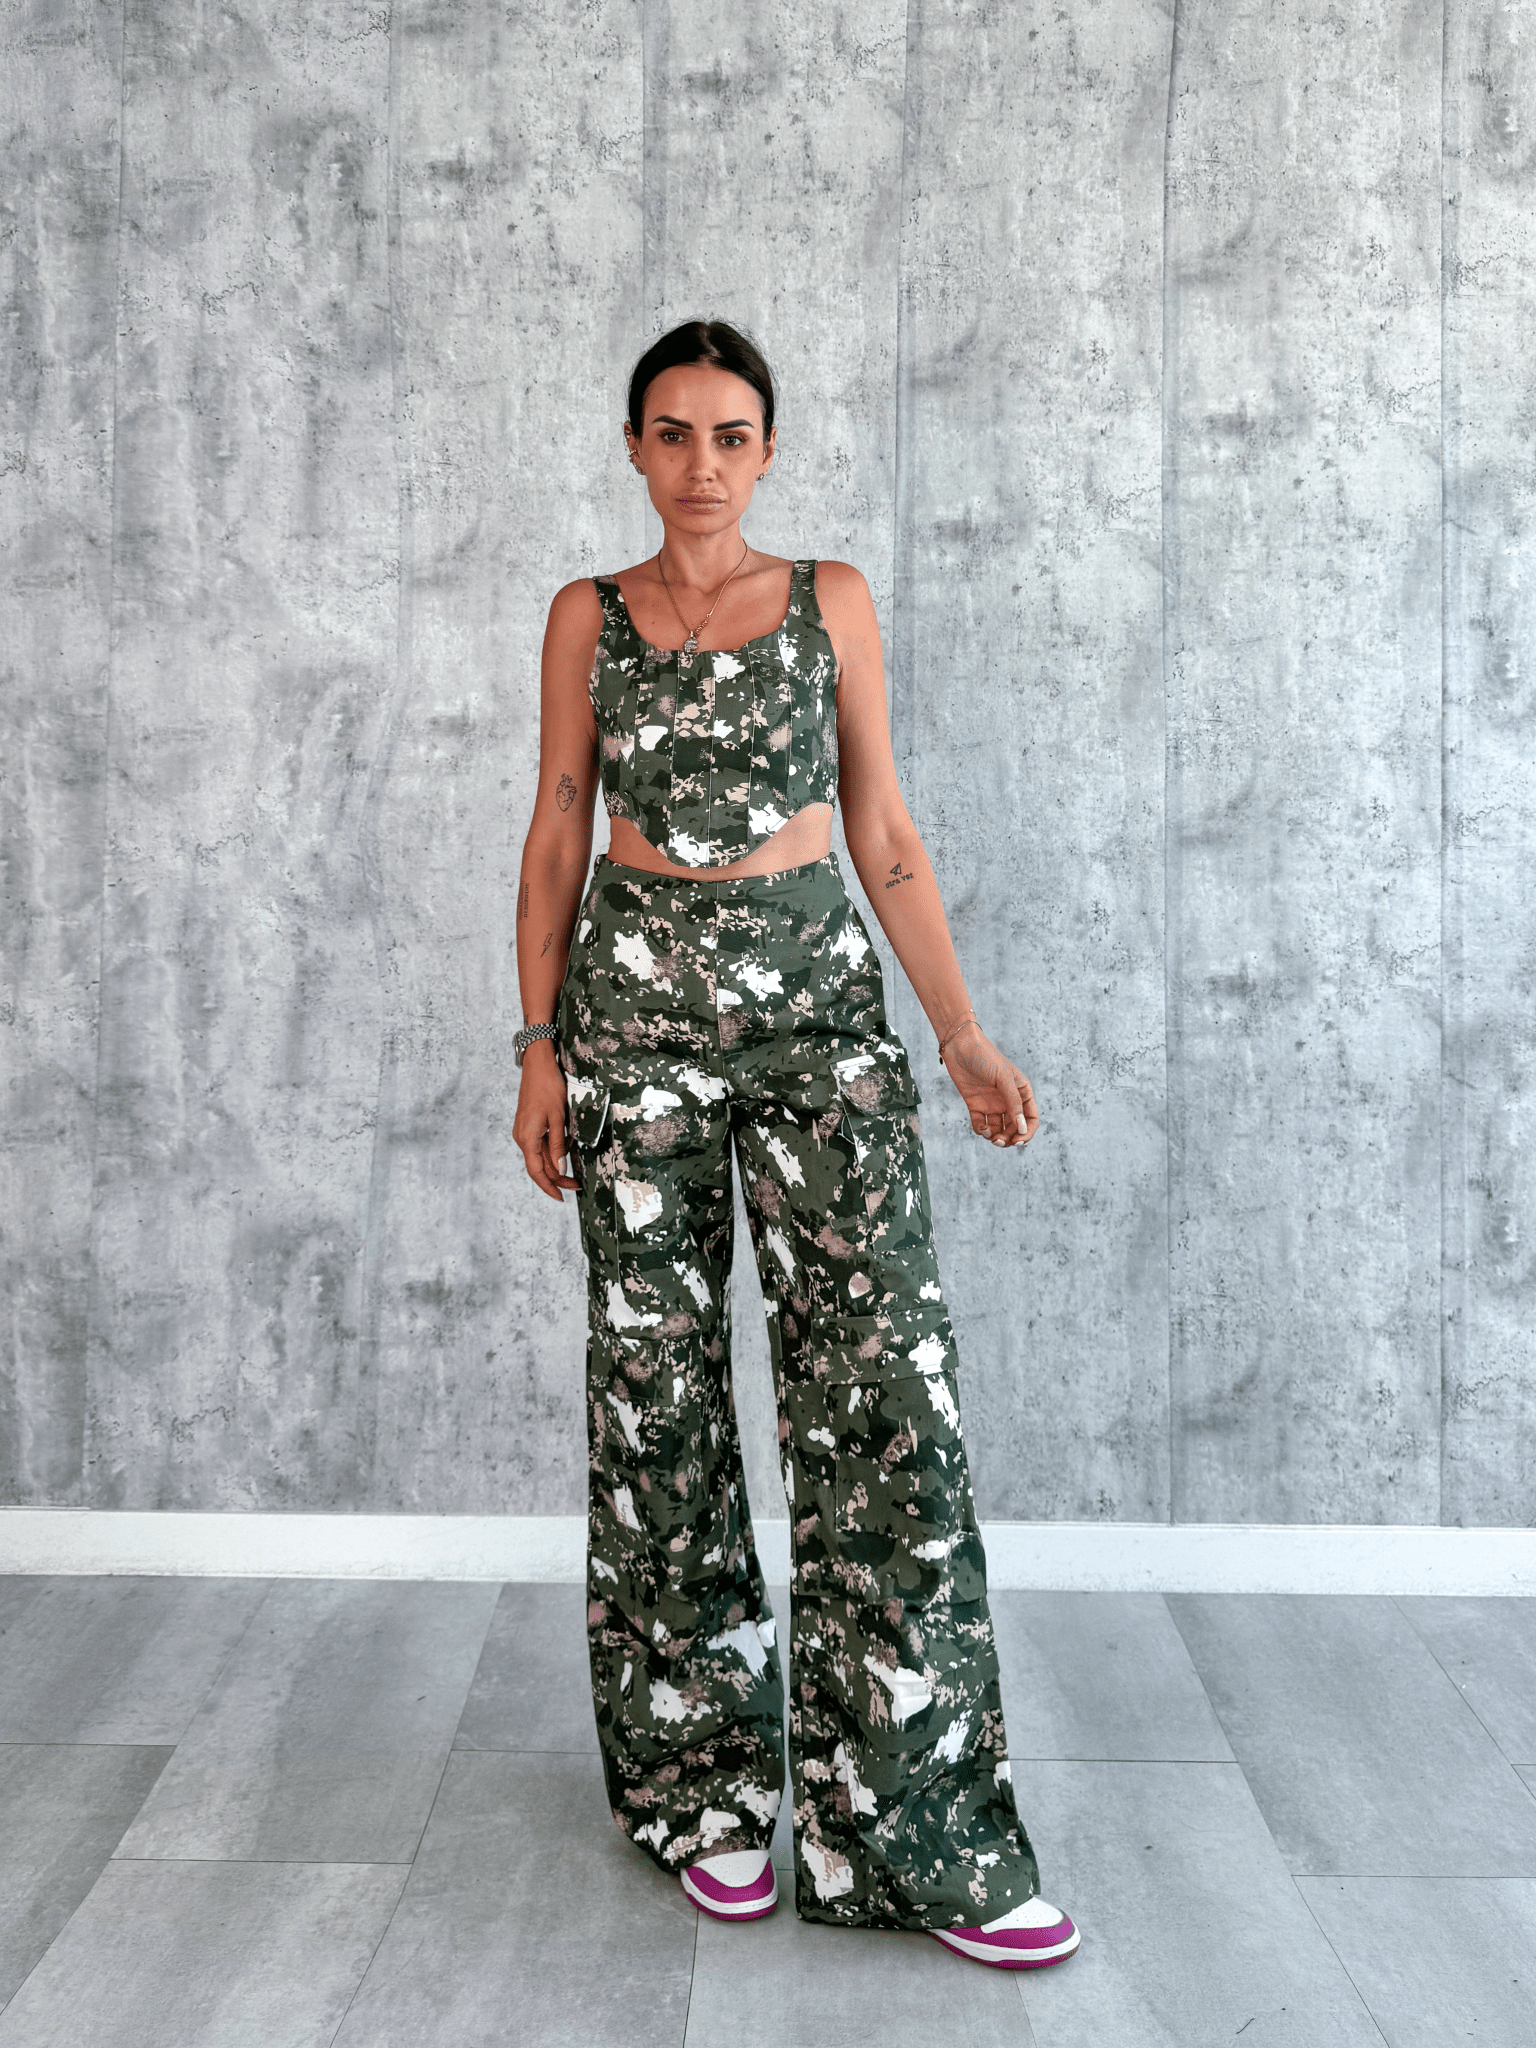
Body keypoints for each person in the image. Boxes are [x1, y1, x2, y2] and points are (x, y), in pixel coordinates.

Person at [512, 319, 1080, 1970]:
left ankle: (916, 1831)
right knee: (659, 1399)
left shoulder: (832, 599)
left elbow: (882, 828)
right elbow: (558, 827)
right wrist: (537, 1045)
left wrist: (958, 1030)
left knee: (884, 1394)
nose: (702, 464)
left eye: (732, 435)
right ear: (635, 446)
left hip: (820, 1019)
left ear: (766, 451)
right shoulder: (588, 614)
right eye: (673, 432)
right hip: (631, 1028)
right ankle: (696, 1796)